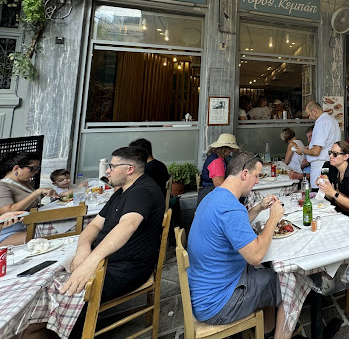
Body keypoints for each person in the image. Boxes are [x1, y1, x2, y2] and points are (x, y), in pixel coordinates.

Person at [187, 152, 285, 337]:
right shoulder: (231, 208)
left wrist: (258, 208)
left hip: (204, 285)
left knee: (267, 270)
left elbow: (229, 229)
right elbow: (256, 255)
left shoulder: (214, 196)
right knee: (285, 282)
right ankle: (274, 333)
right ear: (245, 174)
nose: (257, 181)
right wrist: (273, 218)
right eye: (256, 176)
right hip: (217, 303)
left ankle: (266, 328)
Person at [60, 146, 165, 301]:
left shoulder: (142, 192)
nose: (108, 171)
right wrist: (83, 249)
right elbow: (95, 225)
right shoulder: (121, 192)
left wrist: (91, 262)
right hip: (106, 262)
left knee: (56, 294)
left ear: (129, 169)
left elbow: (128, 225)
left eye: (112, 166)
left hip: (123, 271)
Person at [0, 152, 57, 246]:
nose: (35, 172)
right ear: (16, 168)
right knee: (54, 235)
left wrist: (44, 193)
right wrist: (37, 192)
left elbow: (29, 202)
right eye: (33, 168)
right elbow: (7, 211)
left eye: (37, 169)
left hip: (31, 223)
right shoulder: (3, 185)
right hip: (11, 231)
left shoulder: (24, 183)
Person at [317, 141, 349, 224]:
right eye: (330, 153)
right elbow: (332, 197)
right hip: (338, 212)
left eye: (335, 154)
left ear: (345, 156)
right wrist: (325, 188)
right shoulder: (333, 168)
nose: (330, 156)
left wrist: (333, 192)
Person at [299, 101, 340, 188]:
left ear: (315, 111)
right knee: (328, 193)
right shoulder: (333, 121)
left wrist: (302, 150)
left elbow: (316, 151)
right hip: (331, 163)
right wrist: (310, 147)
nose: (309, 117)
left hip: (320, 166)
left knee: (319, 196)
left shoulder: (320, 123)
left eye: (309, 114)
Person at [198, 134, 240, 205]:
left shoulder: (217, 157)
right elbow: (220, 185)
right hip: (209, 195)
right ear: (225, 149)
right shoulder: (217, 161)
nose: (230, 152)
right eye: (230, 150)